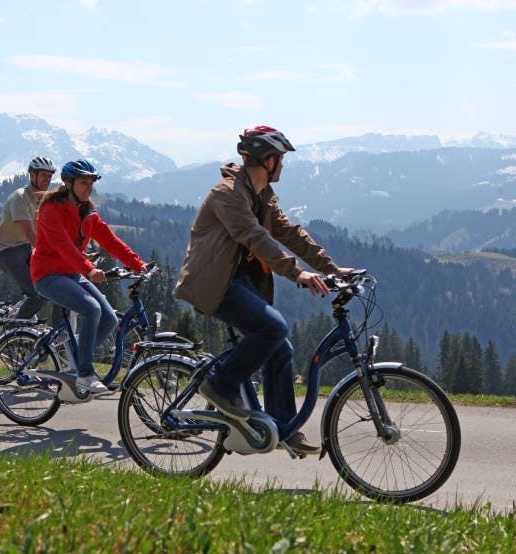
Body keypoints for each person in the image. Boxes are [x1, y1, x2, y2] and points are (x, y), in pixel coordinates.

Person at [174, 126, 354, 455]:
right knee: (274, 328)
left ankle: (283, 427)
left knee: (280, 348)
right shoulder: (227, 194)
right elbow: (255, 236)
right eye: (280, 158)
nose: (283, 165)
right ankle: (220, 385)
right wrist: (297, 272)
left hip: (240, 282)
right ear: (267, 160)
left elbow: (288, 232)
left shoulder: (264, 196)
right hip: (213, 284)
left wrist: (331, 267)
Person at [31, 159, 147, 394]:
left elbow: (109, 240)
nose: (89, 187)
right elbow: (63, 246)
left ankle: (75, 359)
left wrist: (137, 263)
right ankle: (84, 374)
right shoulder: (51, 210)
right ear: (68, 183)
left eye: (91, 182)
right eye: (83, 182)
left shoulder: (88, 212)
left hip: (72, 273)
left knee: (109, 319)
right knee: (91, 309)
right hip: (48, 275)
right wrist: (89, 269)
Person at [0, 156, 56, 320]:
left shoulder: (43, 198)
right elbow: (30, 234)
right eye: (43, 175)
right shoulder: (20, 197)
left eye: (49, 176)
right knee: (37, 296)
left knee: (54, 286)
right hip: (7, 252)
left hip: (26, 249)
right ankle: (16, 335)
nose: (46, 180)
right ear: (32, 175)